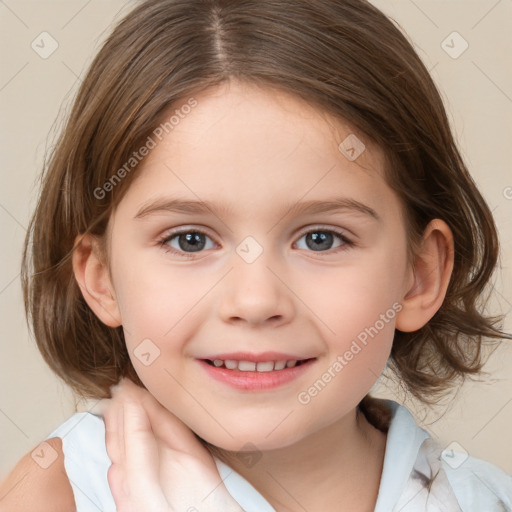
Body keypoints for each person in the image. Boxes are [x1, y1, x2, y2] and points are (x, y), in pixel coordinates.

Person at [1, 0, 511, 510]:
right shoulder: (57, 493)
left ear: (418, 276)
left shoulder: (485, 499)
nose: (255, 300)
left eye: (321, 239)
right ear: (102, 278)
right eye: (190, 240)